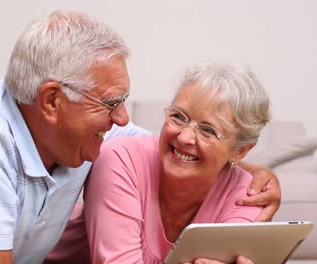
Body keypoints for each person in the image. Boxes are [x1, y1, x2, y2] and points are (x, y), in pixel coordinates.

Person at [0, 10, 279, 264]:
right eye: (111, 102)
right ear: (52, 101)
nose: (122, 116)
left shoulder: (88, 135)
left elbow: (168, 150)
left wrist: (245, 168)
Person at [46, 63, 273, 264]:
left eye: (207, 130)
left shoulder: (249, 195)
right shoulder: (120, 158)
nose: (184, 138)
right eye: (178, 117)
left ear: (241, 150)